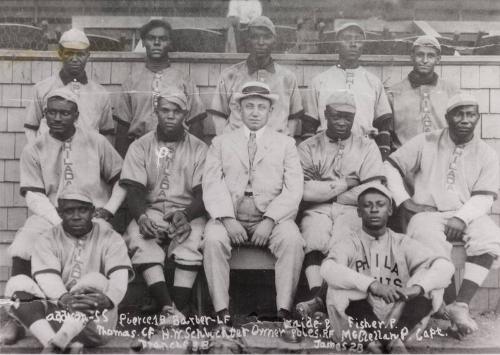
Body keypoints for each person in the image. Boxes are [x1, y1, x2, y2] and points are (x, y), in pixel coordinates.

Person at [384, 92, 500, 338]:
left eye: (471, 114)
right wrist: (405, 201)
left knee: (490, 235)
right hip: (428, 212)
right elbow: (390, 166)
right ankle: (442, 307)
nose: (465, 119)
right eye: (459, 113)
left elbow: (485, 196)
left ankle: (460, 305)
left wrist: (462, 217)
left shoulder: (486, 153)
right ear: (447, 117)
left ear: (478, 118)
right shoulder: (425, 141)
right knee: (428, 244)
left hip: (467, 212)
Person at [202, 81, 305, 324]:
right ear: (239, 110)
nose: (255, 112)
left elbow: (293, 189)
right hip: (231, 216)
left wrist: (270, 221)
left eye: (261, 107)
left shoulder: (286, 144)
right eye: (249, 106)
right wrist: (227, 219)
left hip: (272, 218)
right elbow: (212, 184)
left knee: (292, 239)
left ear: (271, 111)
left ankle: (284, 311)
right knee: (213, 239)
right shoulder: (221, 143)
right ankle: (221, 312)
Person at [321, 183, 455, 353]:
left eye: (380, 205)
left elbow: (445, 267)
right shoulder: (349, 243)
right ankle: (385, 341)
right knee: (336, 287)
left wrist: (416, 288)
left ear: (390, 210)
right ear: (359, 212)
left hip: (399, 317)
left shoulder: (402, 242)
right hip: (360, 322)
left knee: (432, 284)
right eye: (368, 206)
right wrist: (372, 285)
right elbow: (327, 268)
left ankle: (387, 340)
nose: (374, 210)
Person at [3, 189, 132, 352]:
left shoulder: (110, 237)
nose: (77, 216)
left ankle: (59, 342)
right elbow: (47, 278)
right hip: (58, 316)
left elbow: (119, 277)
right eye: (69, 211)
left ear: (93, 212)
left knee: (95, 279)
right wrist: (64, 297)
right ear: (59, 213)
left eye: (83, 210)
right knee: (17, 282)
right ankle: (55, 344)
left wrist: (108, 300)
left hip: (97, 320)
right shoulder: (47, 238)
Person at [120, 90, 207, 325]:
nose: (170, 116)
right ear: (156, 112)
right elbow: (135, 191)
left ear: (185, 115)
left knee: (192, 238)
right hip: (153, 210)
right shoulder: (140, 146)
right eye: (165, 110)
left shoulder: (199, 148)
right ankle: (170, 307)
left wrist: (186, 216)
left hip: (187, 211)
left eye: (176, 111)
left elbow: (203, 193)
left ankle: (176, 304)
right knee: (139, 236)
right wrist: (141, 218)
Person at [296, 90, 385, 314]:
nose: (343, 122)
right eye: (337, 116)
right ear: (326, 114)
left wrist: (325, 190)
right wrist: (346, 184)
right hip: (317, 209)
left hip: (352, 210)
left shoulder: (367, 146)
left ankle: (318, 302)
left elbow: (371, 190)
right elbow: (304, 191)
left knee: (343, 241)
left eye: (348, 117)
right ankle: (319, 294)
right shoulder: (308, 146)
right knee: (314, 234)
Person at [114, 19, 206, 156]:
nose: (157, 43)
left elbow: (196, 122)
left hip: (177, 151)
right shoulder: (132, 81)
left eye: (162, 39)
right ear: (144, 42)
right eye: (151, 38)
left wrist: (192, 157)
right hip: (140, 151)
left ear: (170, 43)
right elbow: (122, 127)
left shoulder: (183, 80)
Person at [303, 22, 392, 158]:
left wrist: (383, 155)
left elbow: (383, 123)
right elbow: (309, 124)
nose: (353, 44)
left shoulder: (373, 82)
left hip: (364, 150)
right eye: (347, 39)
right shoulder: (320, 81)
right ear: (337, 44)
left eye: (358, 40)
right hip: (326, 151)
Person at [209, 16, 303, 137]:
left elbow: (293, 118)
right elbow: (219, 115)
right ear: (247, 41)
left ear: (274, 41)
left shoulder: (287, 77)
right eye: (255, 37)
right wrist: (227, 145)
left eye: (267, 37)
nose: (261, 42)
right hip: (237, 147)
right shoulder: (229, 75)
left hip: (274, 147)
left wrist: (284, 144)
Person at [24, 28, 115, 144]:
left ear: (88, 55)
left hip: (86, 158)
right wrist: (39, 157)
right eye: (69, 53)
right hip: (50, 158)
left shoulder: (100, 94)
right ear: (60, 54)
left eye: (80, 54)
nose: (75, 59)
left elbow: (107, 134)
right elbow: (31, 128)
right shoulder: (42, 88)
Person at [387, 35, 460, 148]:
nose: (425, 60)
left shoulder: (451, 91)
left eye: (430, 56)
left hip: (442, 158)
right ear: (412, 57)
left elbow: (460, 129)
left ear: (438, 59)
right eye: (420, 55)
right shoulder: (394, 93)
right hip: (406, 160)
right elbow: (387, 134)